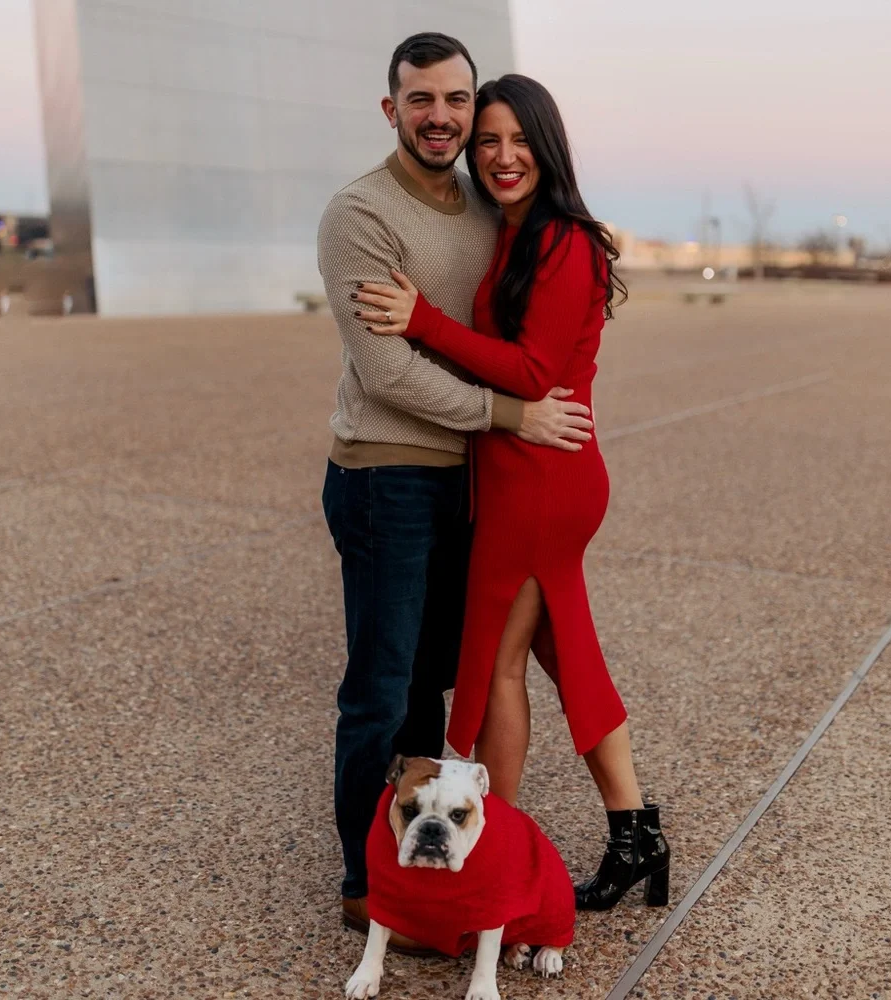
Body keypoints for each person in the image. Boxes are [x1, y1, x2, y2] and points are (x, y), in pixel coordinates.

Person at [354, 73, 671, 912]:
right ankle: (636, 832)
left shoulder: (561, 240)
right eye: (487, 140)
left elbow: (532, 373)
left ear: (547, 146)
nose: (499, 156)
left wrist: (421, 319)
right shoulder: (517, 232)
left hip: (544, 477)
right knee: (565, 657)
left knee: (494, 665)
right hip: (521, 472)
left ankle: (494, 853)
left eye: (517, 141)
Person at [317, 35, 595, 944]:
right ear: (390, 108)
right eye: (420, 99)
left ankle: (431, 858)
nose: (441, 116)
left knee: (434, 688)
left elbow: (536, 327)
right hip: (386, 474)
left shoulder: (488, 207)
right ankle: (369, 882)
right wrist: (514, 417)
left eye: (457, 100)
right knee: (383, 687)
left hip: (465, 483)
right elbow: (390, 374)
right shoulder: (358, 214)